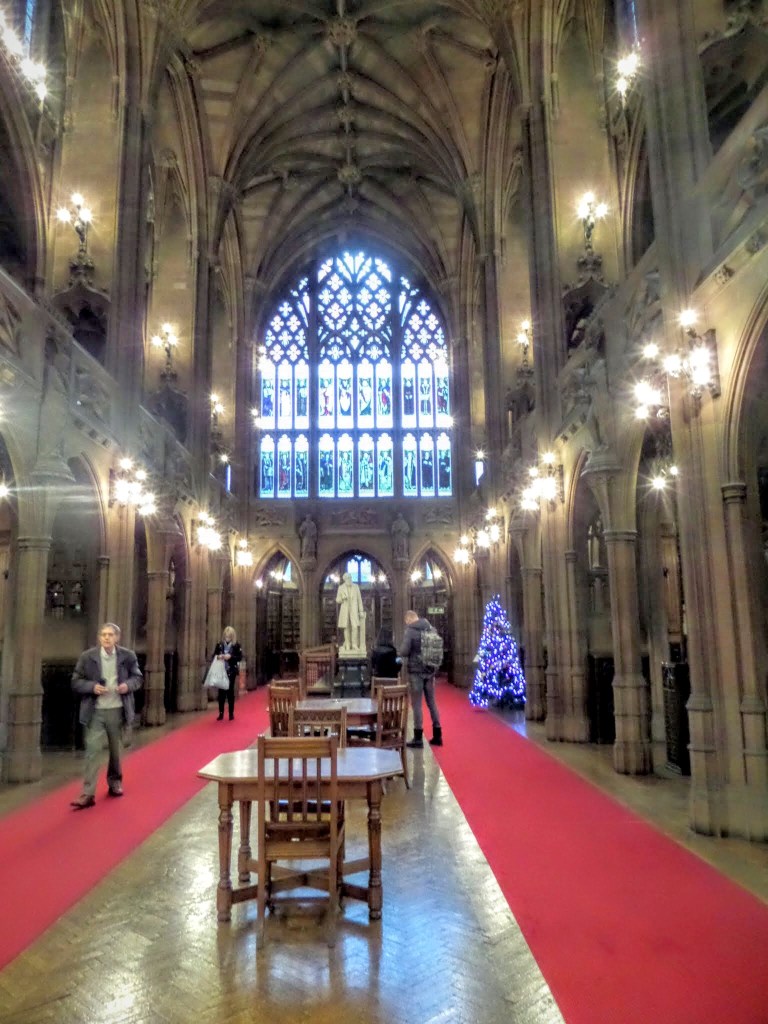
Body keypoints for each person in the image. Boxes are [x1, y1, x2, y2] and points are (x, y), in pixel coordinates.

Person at [70, 622, 143, 809]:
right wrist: (92, 687)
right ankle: (88, 793)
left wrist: (128, 685)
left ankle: (115, 782)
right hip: (95, 710)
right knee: (92, 751)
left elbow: (138, 678)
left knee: (115, 751)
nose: (107, 638)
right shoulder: (88, 657)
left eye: (110, 634)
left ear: (117, 638)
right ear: (99, 637)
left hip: (117, 709)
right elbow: (76, 681)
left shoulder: (127, 656)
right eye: (103, 634)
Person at [399, 609, 442, 748]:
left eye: (406, 622)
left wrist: (401, 651)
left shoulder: (411, 631)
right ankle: (437, 734)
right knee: (432, 702)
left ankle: (418, 738)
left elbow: (404, 651)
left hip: (416, 672)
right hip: (429, 670)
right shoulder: (431, 628)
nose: (406, 624)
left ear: (409, 619)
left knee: (417, 704)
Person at [213, 625, 243, 721]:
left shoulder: (236, 645)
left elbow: (239, 657)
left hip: (231, 670)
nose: (227, 638)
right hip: (221, 671)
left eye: (229, 636)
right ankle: (221, 713)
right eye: (226, 635)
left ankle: (231, 713)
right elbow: (214, 655)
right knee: (221, 692)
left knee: (230, 691)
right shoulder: (219, 645)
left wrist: (230, 657)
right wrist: (219, 656)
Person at [336, 571, 365, 652]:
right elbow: (337, 600)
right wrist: (342, 598)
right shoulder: (341, 588)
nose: (350, 579)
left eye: (350, 578)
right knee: (346, 627)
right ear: (344, 579)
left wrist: (361, 611)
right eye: (348, 578)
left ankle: (354, 645)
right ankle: (348, 645)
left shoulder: (356, 587)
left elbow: (359, 599)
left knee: (355, 627)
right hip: (345, 611)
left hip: (354, 610)